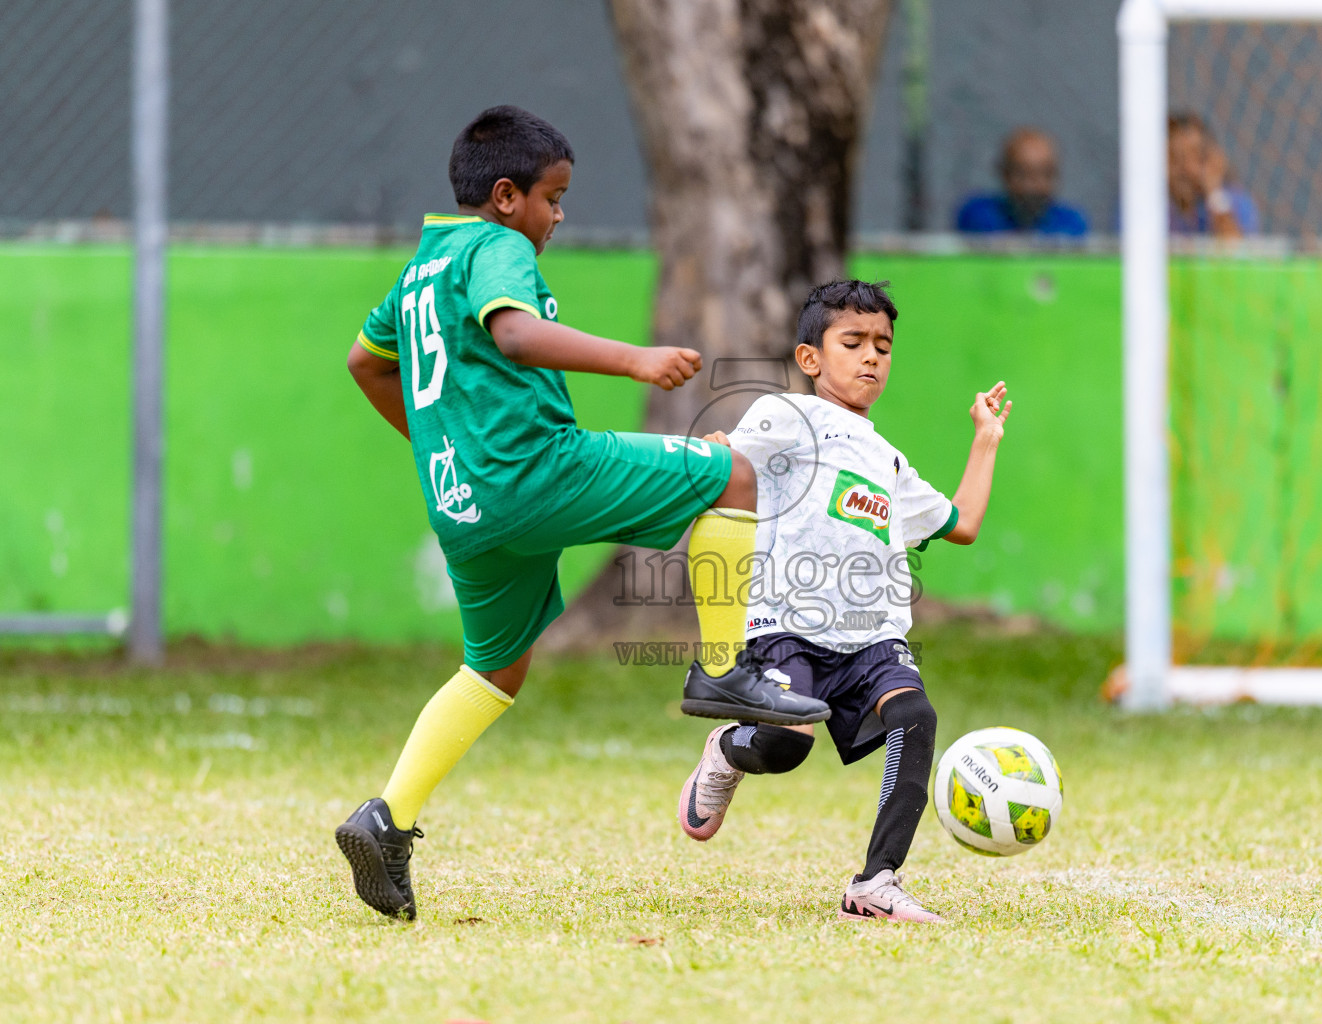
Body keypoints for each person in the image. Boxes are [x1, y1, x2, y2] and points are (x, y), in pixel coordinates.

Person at [334, 105, 830, 921]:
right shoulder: (499, 248)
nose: (558, 215)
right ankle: (721, 667)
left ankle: (387, 817)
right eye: (553, 198)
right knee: (736, 474)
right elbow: (518, 336)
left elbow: (364, 362)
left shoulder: (423, 265)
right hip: (539, 468)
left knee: (496, 668)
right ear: (505, 196)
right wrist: (637, 359)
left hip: (466, 505)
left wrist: (437, 448)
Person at [675, 279, 1012, 923]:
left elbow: (962, 522)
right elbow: (727, 464)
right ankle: (729, 749)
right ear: (811, 359)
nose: (871, 357)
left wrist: (985, 438)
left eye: (883, 345)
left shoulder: (888, 460)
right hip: (786, 628)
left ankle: (875, 883)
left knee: (917, 716)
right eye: (852, 342)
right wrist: (715, 452)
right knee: (786, 747)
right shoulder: (788, 415)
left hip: (872, 636)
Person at [955, 128, 1088, 237]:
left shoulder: (1071, 223)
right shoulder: (979, 215)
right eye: (1024, 175)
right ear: (1005, 174)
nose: (1035, 186)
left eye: (1045, 174)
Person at [1167, 111, 1260, 238]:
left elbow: (1234, 251)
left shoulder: (1233, 201)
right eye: (1177, 159)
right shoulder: (1151, 204)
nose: (1188, 168)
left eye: (1197, 155)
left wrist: (1214, 193)